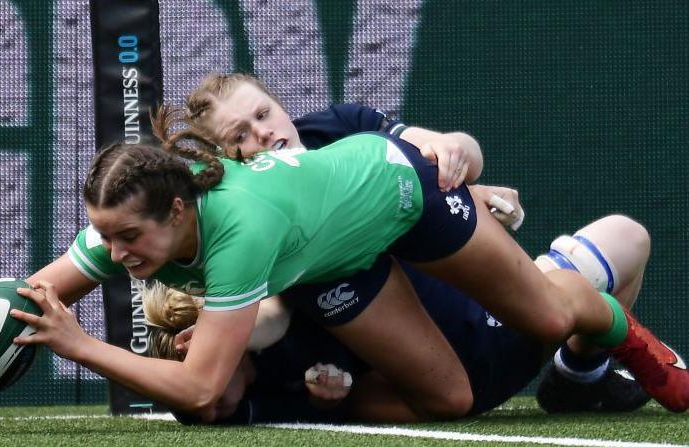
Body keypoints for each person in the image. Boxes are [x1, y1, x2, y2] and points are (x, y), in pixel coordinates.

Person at [0, 91, 688, 421]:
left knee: (552, 312)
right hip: (339, 255)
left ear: (181, 209)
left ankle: (627, 337)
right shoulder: (130, 214)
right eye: (106, 236)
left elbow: (197, 389)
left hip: (398, 191)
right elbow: (29, 296)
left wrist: (78, 343)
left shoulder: (238, 234)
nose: (118, 252)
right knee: (450, 402)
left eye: (131, 238)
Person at [177, 72, 653, 412]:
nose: (264, 133)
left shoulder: (339, 127)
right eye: (241, 135)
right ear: (226, 163)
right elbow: (272, 316)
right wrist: (219, 336)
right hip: (433, 374)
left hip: (507, 316)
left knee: (627, 237)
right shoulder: (256, 225)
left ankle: (577, 378)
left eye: (264, 113)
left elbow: (456, 149)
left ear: (280, 105)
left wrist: (456, 156)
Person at [141, 219, 653, 424]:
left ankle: (577, 376)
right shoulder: (250, 405)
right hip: (470, 367)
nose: (203, 408)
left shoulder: (267, 290)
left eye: (193, 390)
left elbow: (269, 316)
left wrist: (475, 194)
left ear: (197, 342)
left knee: (628, 238)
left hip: (492, 310)